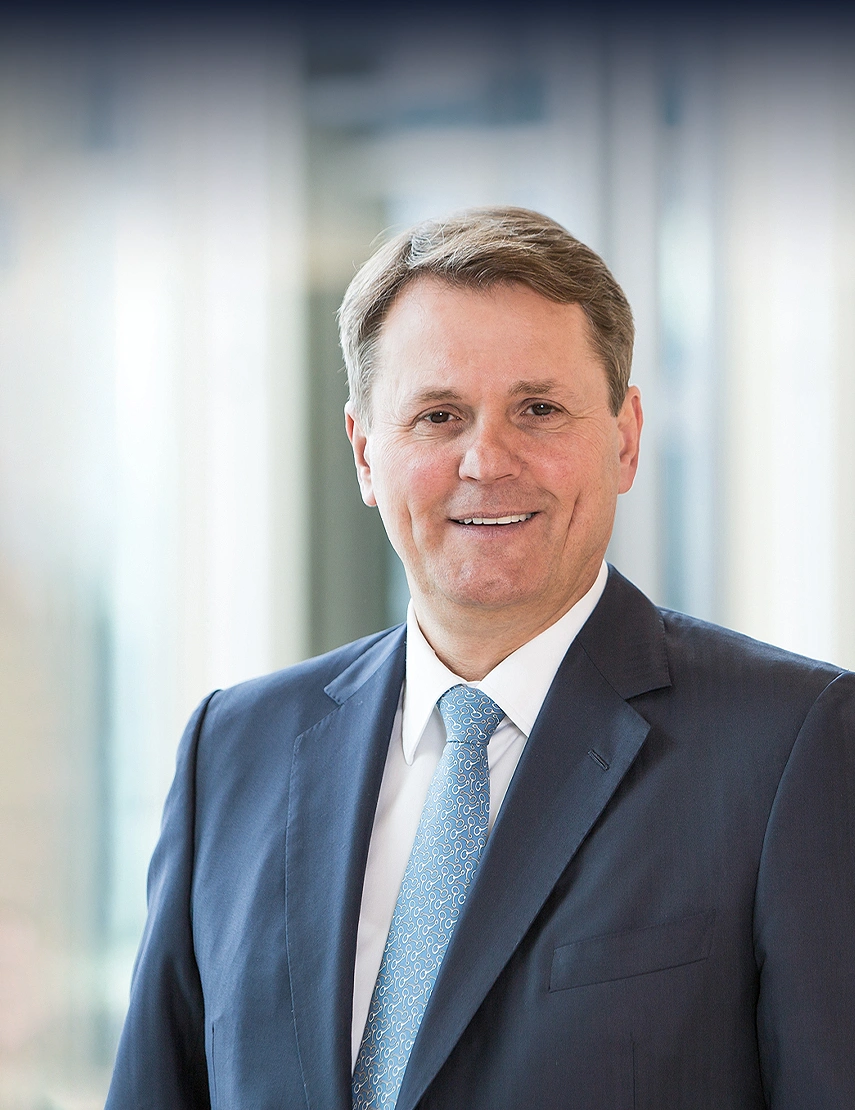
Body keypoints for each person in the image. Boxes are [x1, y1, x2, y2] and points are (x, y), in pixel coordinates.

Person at [106, 207, 855, 1110]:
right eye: (437, 415)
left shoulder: (791, 748)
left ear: (623, 436)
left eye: (538, 409)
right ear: (364, 454)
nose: (486, 460)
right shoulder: (233, 751)